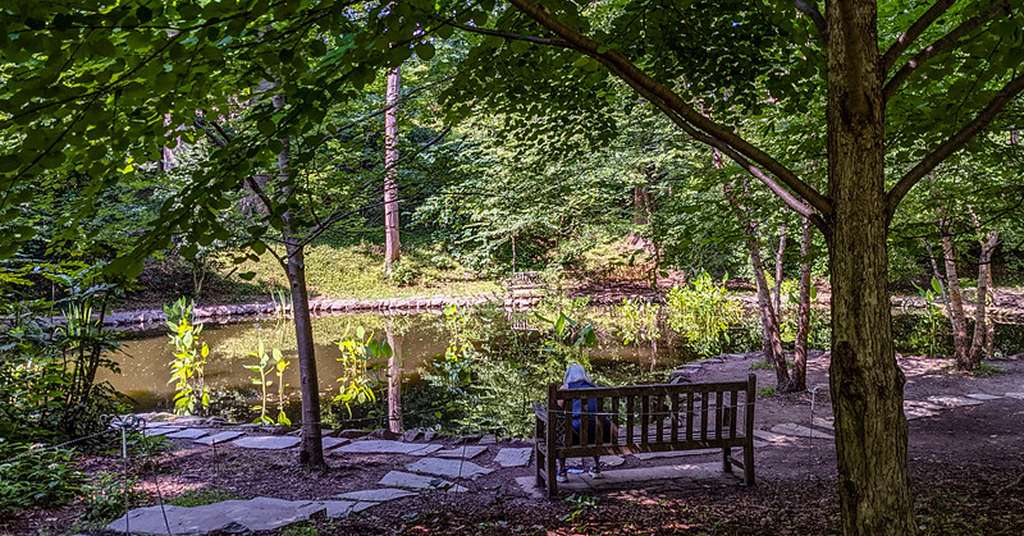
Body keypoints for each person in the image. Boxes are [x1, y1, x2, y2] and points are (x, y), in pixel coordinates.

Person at [557, 363, 614, 482]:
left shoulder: (566, 387)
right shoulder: (594, 388)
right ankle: (597, 468)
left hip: (576, 435)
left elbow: (558, 406)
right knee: (596, 424)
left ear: (568, 375)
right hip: (599, 435)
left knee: (561, 431)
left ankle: (562, 471)